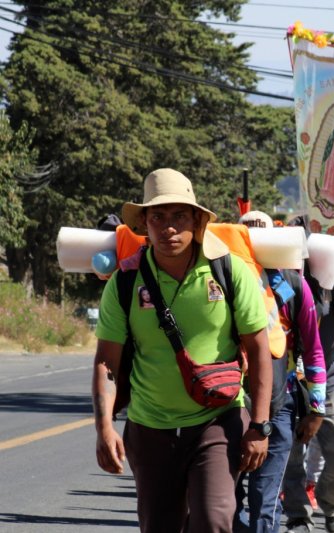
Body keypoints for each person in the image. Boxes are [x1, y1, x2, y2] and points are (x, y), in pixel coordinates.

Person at [92, 168, 273, 532]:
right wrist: (104, 427)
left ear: (197, 220)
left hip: (217, 423)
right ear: (144, 223)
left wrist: (259, 426)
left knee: (213, 520)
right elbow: (106, 363)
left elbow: (259, 350)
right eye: (158, 217)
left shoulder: (228, 271)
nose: (168, 227)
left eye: (179, 216)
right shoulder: (125, 281)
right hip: (150, 429)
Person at [234, 211, 327, 533]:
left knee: (266, 503)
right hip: (225, 409)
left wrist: (316, 408)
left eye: (262, 233)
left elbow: (314, 349)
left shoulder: (292, 286)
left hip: (278, 408)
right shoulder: (215, 277)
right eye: (247, 233)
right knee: (224, 502)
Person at [282, 264, 334, 533]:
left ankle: (330, 502)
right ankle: (298, 515)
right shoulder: (282, 278)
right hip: (291, 384)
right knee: (291, 454)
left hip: (332, 383)